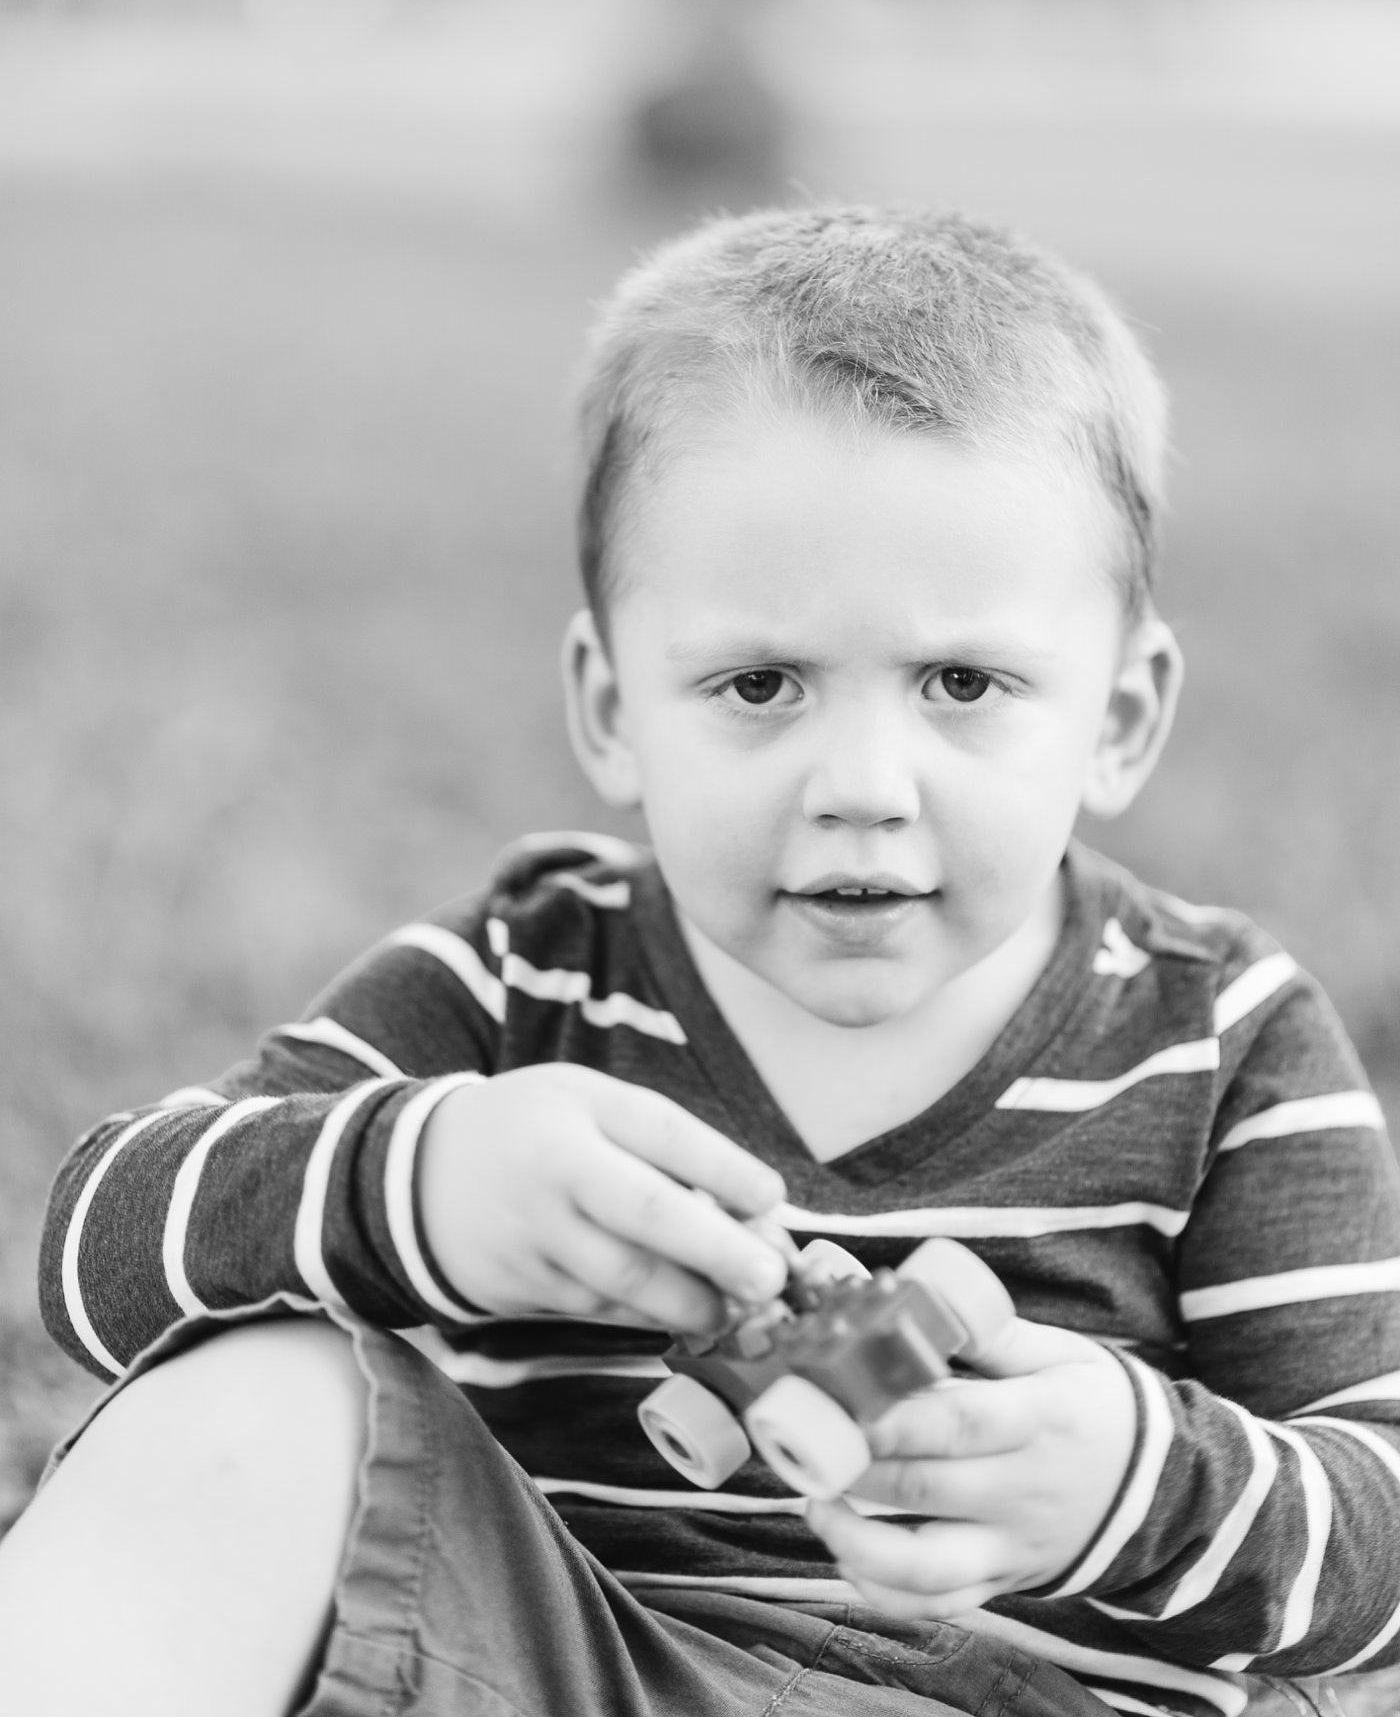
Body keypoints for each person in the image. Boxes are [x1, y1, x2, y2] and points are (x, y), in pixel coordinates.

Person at [3, 206, 1399, 1717]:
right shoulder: (524, 980)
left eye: (963, 681)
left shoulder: (1220, 1039)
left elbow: (1378, 1526)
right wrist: (422, 1183)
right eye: (758, 681)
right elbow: (99, 1255)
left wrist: (1142, 1480)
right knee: (253, 1393)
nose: (863, 778)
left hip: (1005, 1696)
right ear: (610, 706)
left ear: (1120, 717)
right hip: (559, 1666)